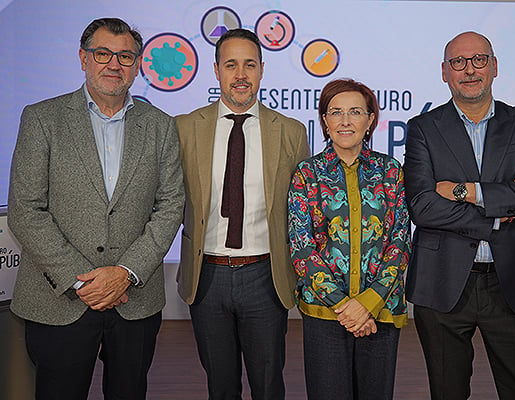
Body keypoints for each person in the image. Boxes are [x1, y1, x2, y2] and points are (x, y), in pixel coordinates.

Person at [8, 17, 184, 400]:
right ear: (83, 59)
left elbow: (170, 206)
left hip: (133, 301)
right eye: (102, 53)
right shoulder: (42, 119)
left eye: (125, 56)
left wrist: (125, 273)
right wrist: (82, 281)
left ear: (137, 65)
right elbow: (27, 210)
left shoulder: (161, 126)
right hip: (59, 301)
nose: (114, 64)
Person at [403, 31, 515, 400]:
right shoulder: (423, 128)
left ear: (494, 67)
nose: (469, 70)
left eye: (478, 60)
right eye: (458, 62)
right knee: (447, 392)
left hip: (510, 283)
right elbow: (422, 205)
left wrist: (467, 191)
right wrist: (500, 211)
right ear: (445, 72)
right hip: (442, 284)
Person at [175, 28, 310, 399]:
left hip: (265, 276)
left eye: (249, 64)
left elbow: (303, 210)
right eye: (231, 64)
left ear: (262, 70)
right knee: (220, 386)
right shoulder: (185, 128)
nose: (240, 74)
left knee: (268, 384)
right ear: (216, 70)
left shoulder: (291, 132)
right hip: (207, 277)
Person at [288, 78, 411, 399]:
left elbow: (399, 242)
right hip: (326, 313)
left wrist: (368, 304)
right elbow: (302, 249)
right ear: (325, 121)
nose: (345, 121)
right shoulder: (307, 173)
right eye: (336, 112)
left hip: (380, 312)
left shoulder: (391, 171)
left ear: (370, 120)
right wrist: (346, 308)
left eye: (355, 112)